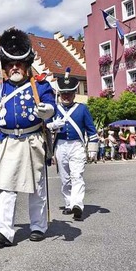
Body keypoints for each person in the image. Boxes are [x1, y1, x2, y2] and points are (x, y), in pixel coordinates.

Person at [0, 28, 55, 246]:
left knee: (36, 186)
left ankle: (38, 226)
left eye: (18, 64)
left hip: (32, 141)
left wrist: (47, 110)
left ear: (26, 64)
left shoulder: (39, 85)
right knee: (6, 185)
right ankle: (3, 230)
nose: (14, 68)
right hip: (8, 142)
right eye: (9, 64)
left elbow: (51, 107)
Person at [46, 68, 98, 221]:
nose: (66, 96)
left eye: (69, 93)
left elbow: (91, 129)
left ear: (74, 94)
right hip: (61, 145)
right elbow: (46, 125)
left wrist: (92, 148)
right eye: (63, 93)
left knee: (77, 176)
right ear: (60, 94)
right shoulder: (55, 109)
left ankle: (77, 205)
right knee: (65, 178)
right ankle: (68, 203)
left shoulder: (82, 109)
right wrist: (53, 125)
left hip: (77, 146)